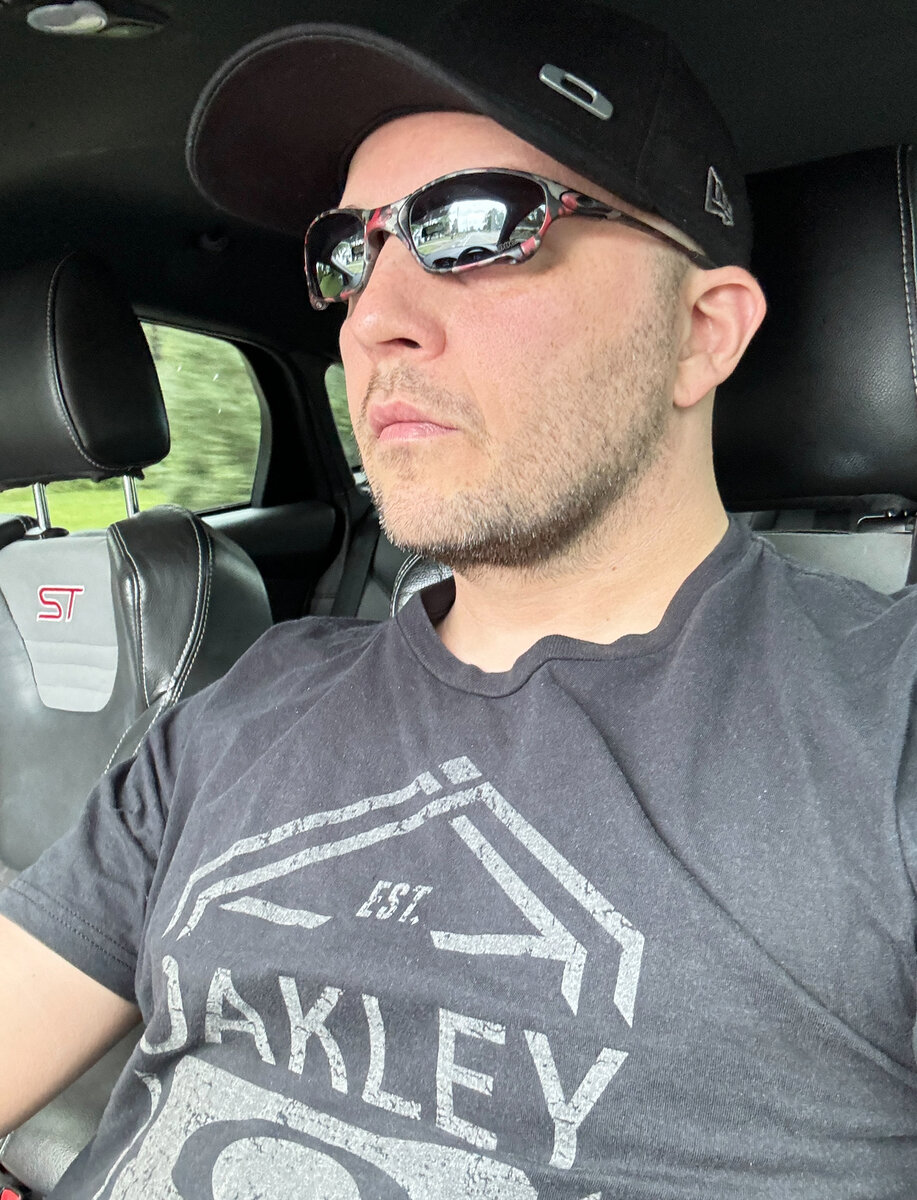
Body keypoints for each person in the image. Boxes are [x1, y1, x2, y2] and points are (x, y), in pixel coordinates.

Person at [2, 2, 917, 1196]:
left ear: (702, 332)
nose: (371, 323)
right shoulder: (244, 711)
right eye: (348, 254)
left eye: (474, 227)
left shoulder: (884, 724)